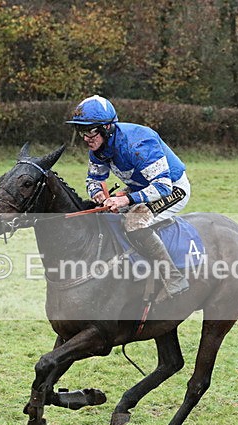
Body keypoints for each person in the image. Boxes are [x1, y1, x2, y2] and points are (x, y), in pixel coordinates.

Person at [66, 95, 190, 299]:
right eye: (81, 132)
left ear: (107, 128)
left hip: (173, 187)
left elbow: (163, 187)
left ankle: (173, 278)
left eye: (90, 131)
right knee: (103, 216)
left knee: (133, 222)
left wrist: (124, 199)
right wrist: (99, 196)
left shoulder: (138, 143)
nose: (86, 138)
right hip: (140, 188)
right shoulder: (98, 149)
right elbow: (93, 180)